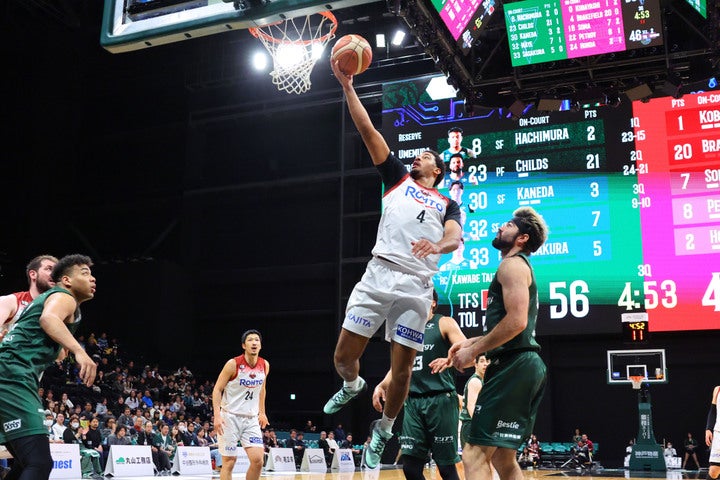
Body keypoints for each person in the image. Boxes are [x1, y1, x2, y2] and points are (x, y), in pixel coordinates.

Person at [326, 58, 463, 470]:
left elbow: (455, 237)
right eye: (417, 155)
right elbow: (368, 130)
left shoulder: (447, 202)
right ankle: (353, 384)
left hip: (415, 285)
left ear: (437, 170)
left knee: (402, 371)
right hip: (379, 273)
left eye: (425, 156)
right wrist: (348, 86)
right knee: (342, 358)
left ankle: (384, 430)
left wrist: (437, 244)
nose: (417, 158)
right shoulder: (397, 179)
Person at [438, 207, 548, 480]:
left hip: (514, 365)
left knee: (474, 454)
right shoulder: (519, 266)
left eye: (508, 225)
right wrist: (470, 342)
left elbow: (517, 322)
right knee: (502, 457)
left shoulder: (512, 265)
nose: (500, 227)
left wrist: (474, 351)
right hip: (522, 364)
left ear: (522, 238)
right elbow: (514, 327)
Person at [0, 254, 97, 480]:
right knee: (39, 462)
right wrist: (80, 351)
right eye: (85, 273)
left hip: (12, 374)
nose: (92, 278)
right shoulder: (64, 296)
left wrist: (59, 349)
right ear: (66, 280)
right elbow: (48, 319)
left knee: (25, 463)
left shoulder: (58, 303)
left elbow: (46, 331)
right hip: (12, 375)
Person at [372, 289, 466, 480]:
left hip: (440, 400)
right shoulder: (407, 330)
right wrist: (382, 385)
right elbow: (398, 367)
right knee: (410, 468)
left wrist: (450, 359)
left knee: (446, 468)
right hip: (413, 402)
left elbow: (466, 350)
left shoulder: (444, 322)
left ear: (432, 302)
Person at [212, 329, 269, 480]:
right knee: (229, 462)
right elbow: (217, 389)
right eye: (250, 340)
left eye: (257, 340)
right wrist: (217, 415)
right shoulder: (233, 364)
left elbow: (262, 389)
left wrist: (262, 412)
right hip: (229, 417)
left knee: (258, 460)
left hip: (251, 419)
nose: (254, 343)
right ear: (244, 345)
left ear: (260, 345)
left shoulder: (265, 365)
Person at [459, 354, 490, 447]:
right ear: (476, 365)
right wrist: (481, 427)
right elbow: (471, 407)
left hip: (472, 425)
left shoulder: (482, 381)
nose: (485, 364)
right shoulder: (475, 381)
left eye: (487, 361)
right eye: (482, 361)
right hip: (471, 425)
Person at [706, 385, 720, 480]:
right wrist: (708, 428)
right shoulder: (717, 389)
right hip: (718, 432)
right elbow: (713, 411)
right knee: (714, 470)